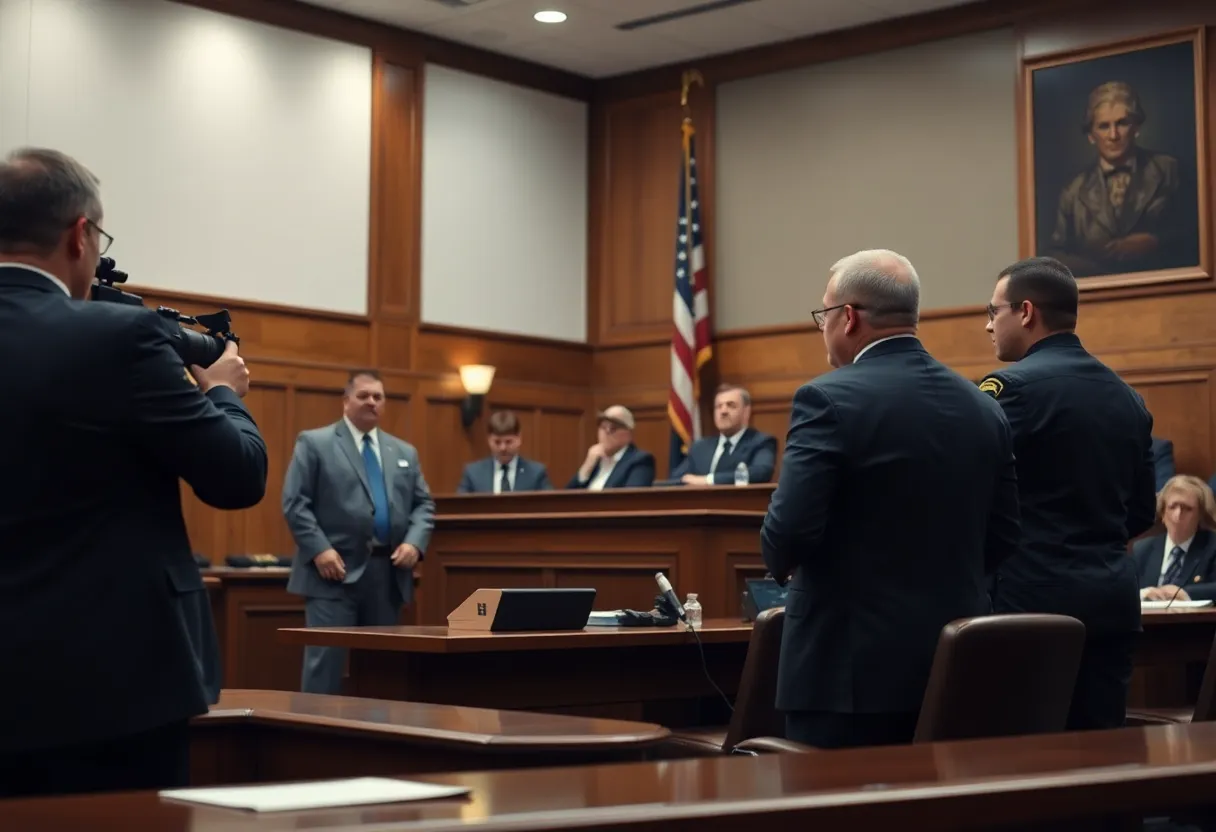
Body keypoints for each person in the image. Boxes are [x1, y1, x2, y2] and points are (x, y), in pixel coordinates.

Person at [0, 147, 268, 797]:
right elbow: (236, 477)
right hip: (109, 690)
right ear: (80, 235)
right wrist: (224, 392)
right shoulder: (116, 339)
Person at [762, 249, 1020, 750]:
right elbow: (1006, 533)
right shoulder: (984, 407)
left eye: (823, 315)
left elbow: (788, 532)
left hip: (846, 671)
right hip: (954, 663)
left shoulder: (826, 399)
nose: (823, 329)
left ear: (849, 318)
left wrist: (782, 563)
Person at [980, 255, 1156, 730]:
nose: (988, 326)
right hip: (1112, 601)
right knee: (1102, 758)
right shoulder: (1127, 397)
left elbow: (971, 492)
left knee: (1024, 761)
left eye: (994, 311)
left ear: (1026, 311)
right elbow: (1141, 510)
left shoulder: (1008, 389)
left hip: (1031, 604)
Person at [283, 369, 435, 695]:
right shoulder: (316, 442)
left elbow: (424, 505)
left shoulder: (403, 452)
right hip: (332, 573)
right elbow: (295, 503)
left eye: (378, 397)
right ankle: (314, 735)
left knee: (382, 667)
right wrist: (320, 549)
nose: (371, 402)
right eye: (364, 395)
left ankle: (377, 736)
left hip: (387, 574)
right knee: (326, 663)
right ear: (346, 400)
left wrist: (414, 543)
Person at [1045, 81, 1196, 277]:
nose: (1113, 135)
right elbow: (1054, 256)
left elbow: (1197, 234)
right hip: (1098, 299)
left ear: (1136, 127)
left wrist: (1155, 243)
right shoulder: (1073, 191)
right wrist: (1096, 268)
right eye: (1104, 126)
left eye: (1122, 123)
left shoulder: (1169, 170)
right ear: (1091, 135)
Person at [671, 383, 777, 485]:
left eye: (731, 405)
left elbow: (760, 473)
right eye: (718, 406)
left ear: (746, 412)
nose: (723, 411)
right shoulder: (700, 447)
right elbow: (676, 479)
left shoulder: (761, 442)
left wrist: (709, 480)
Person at [1132, 475, 1216, 603]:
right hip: (1149, 621)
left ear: (1200, 515)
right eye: (1172, 507)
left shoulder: (1212, 546)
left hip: (1196, 621)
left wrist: (1185, 593)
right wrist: (1143, 593)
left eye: (1187, 509)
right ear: (1163, 514)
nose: (1178, 515)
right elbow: (1123, 589)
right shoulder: (1142, 549)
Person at [457, 409, 552, 493]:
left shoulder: (536, 473)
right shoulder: (473, 473)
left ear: (519, 438)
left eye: (508, 442)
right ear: (489, 440)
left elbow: (549, 508)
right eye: (497, 442)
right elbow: (460, 508)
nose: (503, 448)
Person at [567, 405, 655, 489]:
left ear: (629, 433)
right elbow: (566, 500)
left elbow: (632, 500)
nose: (606, 432)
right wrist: (586, 467)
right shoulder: (595, 460)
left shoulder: (641, 461)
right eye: (603, 427)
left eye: (613, 428)